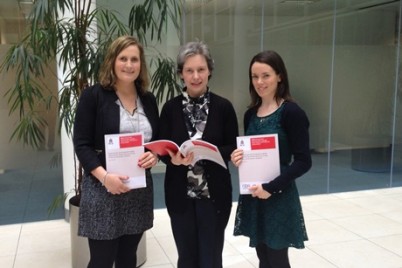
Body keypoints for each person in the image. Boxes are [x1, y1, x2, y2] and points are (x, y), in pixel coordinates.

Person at [73, 35, 159, 268]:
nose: (129, 65)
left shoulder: (148, 99)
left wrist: (155, 155)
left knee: (128, 257)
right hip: (104, 188)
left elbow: (156, 140)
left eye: (134, 59)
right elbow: (81, 144)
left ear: (141, 64)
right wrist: (105, 178)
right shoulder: (94, 96)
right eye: (123, 58)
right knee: (101, 260)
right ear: (112, 61)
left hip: (138, 190)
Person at [158, 41, 239, 268]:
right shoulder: (170, 109)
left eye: (201, 69)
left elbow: (232, 146)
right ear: (181, 74)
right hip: (179, 195)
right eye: (189, 70)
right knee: (187, 257)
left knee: (211, 258)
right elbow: (162, 148)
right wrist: (172, 158)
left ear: (210, 71)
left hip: (214, 197)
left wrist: (210, 151)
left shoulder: (224, 107)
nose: (195, 76)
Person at [230, 50, 312, 268]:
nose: (259, 82)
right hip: (255, 195)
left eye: (265, 75)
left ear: (279, 76)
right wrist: (239, 158)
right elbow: (251, 154)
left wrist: (272, 187)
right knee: (263, 257)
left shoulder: (292, 112)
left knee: (277, 260)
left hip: (278, 195)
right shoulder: (250, 114)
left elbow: (304, 161)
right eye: (254, 76)